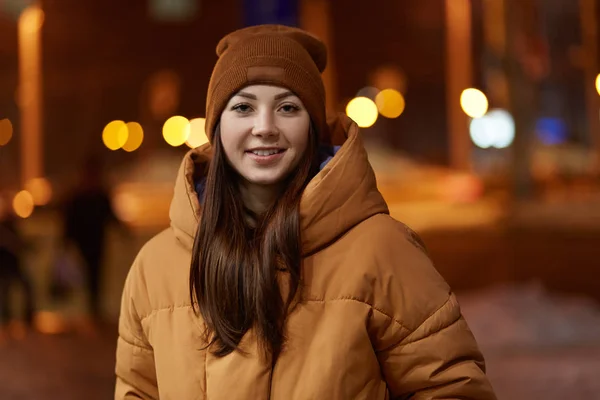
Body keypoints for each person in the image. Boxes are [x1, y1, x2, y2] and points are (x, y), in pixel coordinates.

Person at [115, 25, 496, 399]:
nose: (264, 128)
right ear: (217, 127)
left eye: (287, 108)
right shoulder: (156, 269)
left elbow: (451, 388)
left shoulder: (383, 252)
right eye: (243, 107)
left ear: (312, 126)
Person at [62, 155, 118, 321]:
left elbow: (110, 215)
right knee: (86, 275)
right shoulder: (80, 196)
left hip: (95, 241)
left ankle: (92, 307)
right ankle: (89, 307)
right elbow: (69, 219)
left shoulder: (96, 194)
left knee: (95, 274)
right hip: (84, 241)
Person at [0, 195, 34, 338]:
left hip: (12, 266)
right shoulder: (5, 226)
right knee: (5, 294)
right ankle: (6, 320)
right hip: (4, 267)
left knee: (21, 289)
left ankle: (27, 316)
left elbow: (20, 243)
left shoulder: (11, 225)